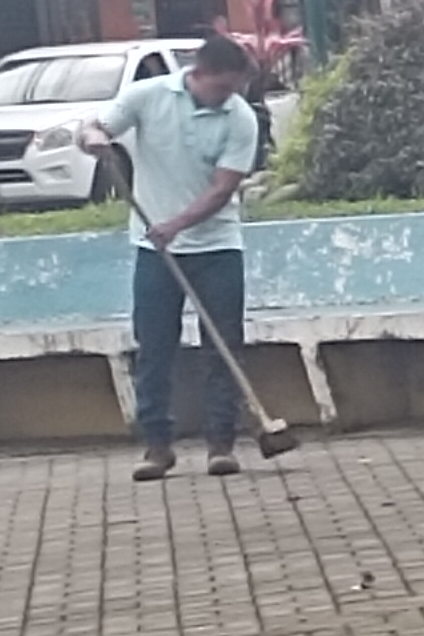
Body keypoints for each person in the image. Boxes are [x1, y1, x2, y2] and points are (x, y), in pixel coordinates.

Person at [81, 34, 281, 482]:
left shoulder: (240, 117)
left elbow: (223, 189)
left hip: (217, 246)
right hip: (154, 250)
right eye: (222, 87)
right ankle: (157, 445)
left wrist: (176, 224)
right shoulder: (147, 96)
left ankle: (221, 445)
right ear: (200, 73)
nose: (228, 96)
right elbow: (96, 127)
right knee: (154, 347)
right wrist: (93, 138)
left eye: (234, 89)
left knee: (223, 346)